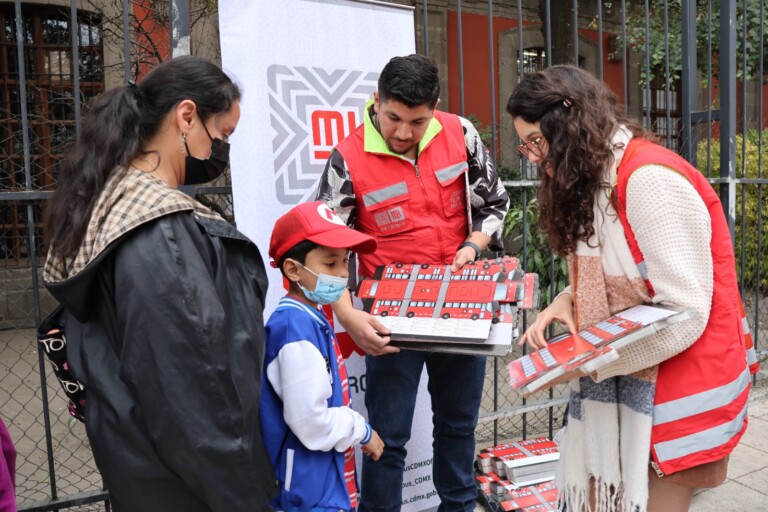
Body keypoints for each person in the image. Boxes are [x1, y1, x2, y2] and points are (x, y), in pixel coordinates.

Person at [507, 65, 752, 512]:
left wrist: (589, 365)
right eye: (526, 145)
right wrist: (566, 300)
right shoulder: (595, 177)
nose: (533, 157)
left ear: (569, 128)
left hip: (680, 392)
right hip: (643, 386)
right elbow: (609, 277)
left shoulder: (646, 180)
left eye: (537, 142)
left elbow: (686, 312)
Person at [42, 56, 276, 511]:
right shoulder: (160, 232)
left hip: (145, 472)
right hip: (188, 487)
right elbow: (196, 392)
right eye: (222, 135)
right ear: (186, 116)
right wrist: (246, 498)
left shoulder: (110, 203)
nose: (220, 151)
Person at [316, 54, 510, 512]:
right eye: (393, 118)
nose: (403, 133)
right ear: (376, 102)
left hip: (464, 311)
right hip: (390, 324)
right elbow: (324, 249)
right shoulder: (348, 156)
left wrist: (473, 245)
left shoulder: (460, 134)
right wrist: (349, 316)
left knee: (459, 427)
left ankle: (459, 507)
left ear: (435, 108)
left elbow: (495, 203)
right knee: (389, 438)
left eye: (417, 122)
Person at [261, 200, 385, 512]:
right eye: (330, 265)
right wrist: (362, 430)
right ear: (293, 269)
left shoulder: (307, 317)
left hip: (318, 483)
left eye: (345, 262)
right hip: (307, 494)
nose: (343, 274)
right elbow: (310, 421)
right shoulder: (294, 328)